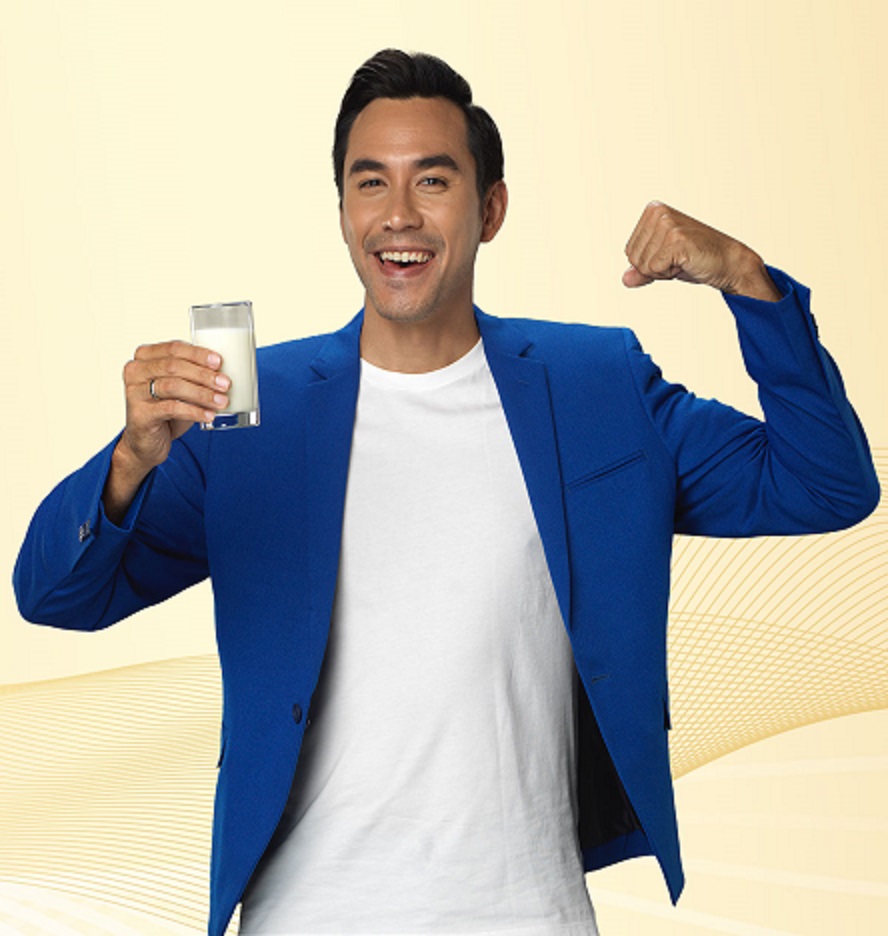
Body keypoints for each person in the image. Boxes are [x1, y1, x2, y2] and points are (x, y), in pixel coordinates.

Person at [13, 49, 878, 936]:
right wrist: (131, 459)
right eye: (370, 183)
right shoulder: (251, 414)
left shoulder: (594, 385)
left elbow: (824, 483)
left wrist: (744, 277)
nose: (398, 214)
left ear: (490, 209)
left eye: (432, 180)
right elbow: (53, 597)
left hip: (528, 914)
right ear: (342, 211)